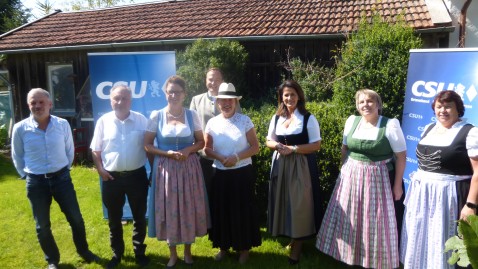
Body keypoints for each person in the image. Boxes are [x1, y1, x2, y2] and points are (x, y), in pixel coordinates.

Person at [316, 89, 406, 269]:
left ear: (378, 104)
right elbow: (344, 149)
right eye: (362, 102)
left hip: (378, 179)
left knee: (375, 221)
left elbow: (401, 156)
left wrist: (397, 186)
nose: (366, 105)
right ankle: (351, 256)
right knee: (351, 217)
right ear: (357, 105)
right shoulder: (352, 121)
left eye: (370, 101)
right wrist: (343, 171)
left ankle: (375, 260)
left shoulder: (390, 125)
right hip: (351, 177)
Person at [11, 88, 100, 269]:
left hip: (62, 179)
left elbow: (69, 150)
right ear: (28, 105)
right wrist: (25, 175)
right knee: (42, 225)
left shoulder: (62, 125)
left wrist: (64, 170)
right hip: (36, 183)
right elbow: (17, 155)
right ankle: (52, 260)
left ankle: (84, 251)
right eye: (33, 103)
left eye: (41, 102)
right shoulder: (20, 129)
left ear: (50, 104)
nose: (37, 106)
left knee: (76, 218)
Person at [400, 90, 478, 269]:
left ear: (458, 109)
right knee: (423, 238)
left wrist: (471, 205)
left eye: (448, 106)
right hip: (423, 197)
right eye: (439, 106)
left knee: (446, 240)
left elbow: (477, 173)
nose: (443, 110)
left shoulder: (470, 133)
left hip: (450, 197)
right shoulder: (429, 128)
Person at [144, 75, 209, 268]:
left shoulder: (192, 115)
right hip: (166, 169)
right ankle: (172, 253)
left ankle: (188, 252)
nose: (173, 95)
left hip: (189, 168)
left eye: (177, 92)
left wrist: (188, 150)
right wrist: (167, 153)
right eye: (170, 91)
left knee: (188, 207)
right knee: (169, 209)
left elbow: (201, 142)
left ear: (184, 94)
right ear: (165, 94)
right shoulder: (157, 115)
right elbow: (147, 145)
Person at [89, 84, 150, 268]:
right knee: (114, 219)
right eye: (116, 98)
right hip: (111, 178)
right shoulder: (103, 122)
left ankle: (139, 253)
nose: (120, 101)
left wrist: (154, 170)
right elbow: (95, 149)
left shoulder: (141, 120)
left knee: (140, 217)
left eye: (124, 98)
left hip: (136, 176)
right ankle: (117, 254)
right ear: (110, 100)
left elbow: (149, 148)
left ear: (130, 100)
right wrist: (100, 170)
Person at [265, 80, 323, 265]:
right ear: (281, 97)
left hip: (301, 167)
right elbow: (268, 140)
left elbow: (316, 145)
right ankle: (292, 239)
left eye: (293, 94)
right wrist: (278, 146)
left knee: (299, 205)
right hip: (281, 165)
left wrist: (294, 149)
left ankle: (297, 246)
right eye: (286, 95)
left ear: (299, 96)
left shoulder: (308, 118)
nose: (289, 98)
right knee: (285, 202)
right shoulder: (277, 118)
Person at [204, 82, 261, 264]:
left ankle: (244, 249)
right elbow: (207, 149)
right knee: (221, 210)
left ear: (236, 102)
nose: (226, 103)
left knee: (242, 210)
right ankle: (223, 247)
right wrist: (221, 158)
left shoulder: (245, 121)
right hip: (219, 173)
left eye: (230, 100)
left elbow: (255, 147)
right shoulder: (212, 122)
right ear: (217, 102)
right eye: (223, 100)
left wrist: (236, 157)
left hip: (242, 173)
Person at [189, 68, 240, 193]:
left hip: (227, 155)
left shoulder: (232, 100)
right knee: (205, 191)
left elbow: (239, 123)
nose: (213, 83)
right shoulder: (196, 100)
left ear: (222, 81)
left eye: (217, 80)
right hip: (204, 156)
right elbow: (191, 127)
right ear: (205, 81)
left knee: (226, 192)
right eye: (210, 79)